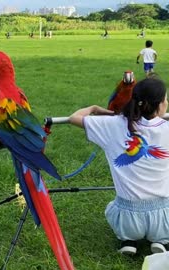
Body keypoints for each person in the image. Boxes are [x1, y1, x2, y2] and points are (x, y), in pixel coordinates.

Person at [69, 77, 169, 256]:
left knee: (121, 209)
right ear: (160, 104)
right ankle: (160, 240)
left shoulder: (113, 125)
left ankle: (128, 240)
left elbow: (74, 118)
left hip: (128, 219)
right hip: (164, 219)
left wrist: (94, 109)